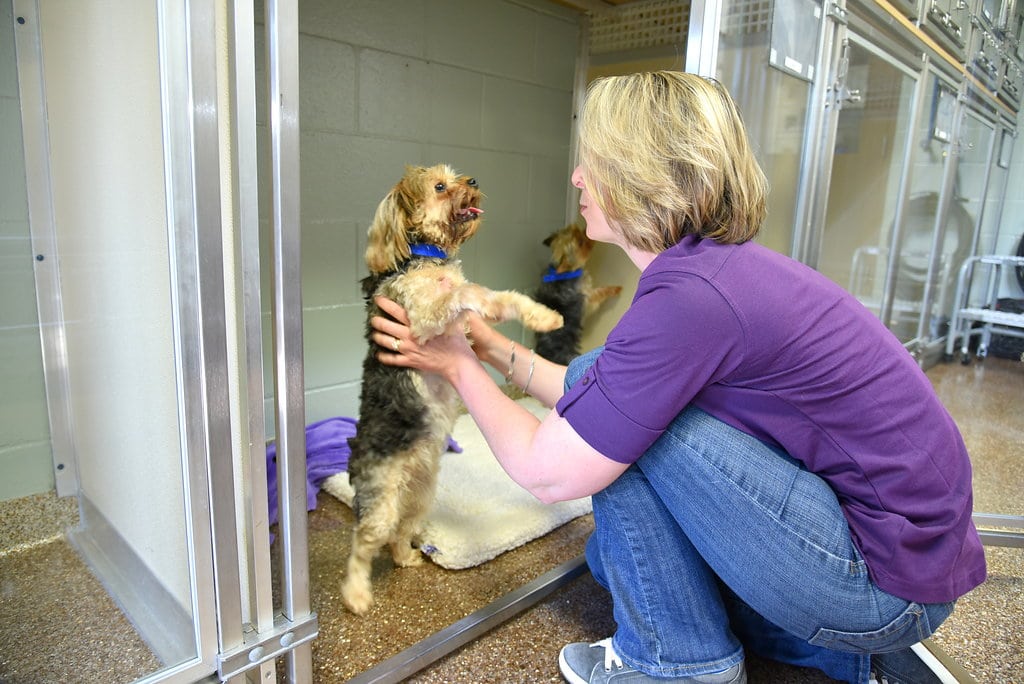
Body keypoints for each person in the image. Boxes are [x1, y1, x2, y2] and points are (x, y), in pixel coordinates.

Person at [367, 71, 986, 684]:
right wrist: (494, 348)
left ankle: (678, 665)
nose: (578, 177)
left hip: (880, 579)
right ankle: (852, 656)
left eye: (594, 162)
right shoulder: (710, 272)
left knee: (621, 440)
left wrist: (456, 362)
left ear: (642, 174)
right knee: (609, 509)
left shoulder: (692, 299)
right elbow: (594, 384)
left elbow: (548, 470)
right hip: (906, 555)